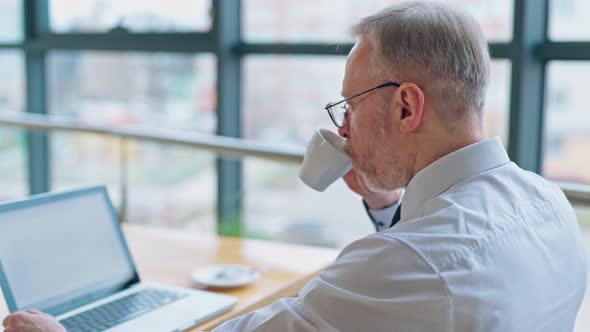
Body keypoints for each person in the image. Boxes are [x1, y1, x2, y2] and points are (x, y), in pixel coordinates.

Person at [3, 1, 588, 331]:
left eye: (351, 106)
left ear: (406, 105)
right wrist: (386, 207)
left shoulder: (409, 264)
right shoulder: (548, 203)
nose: (342, 129)